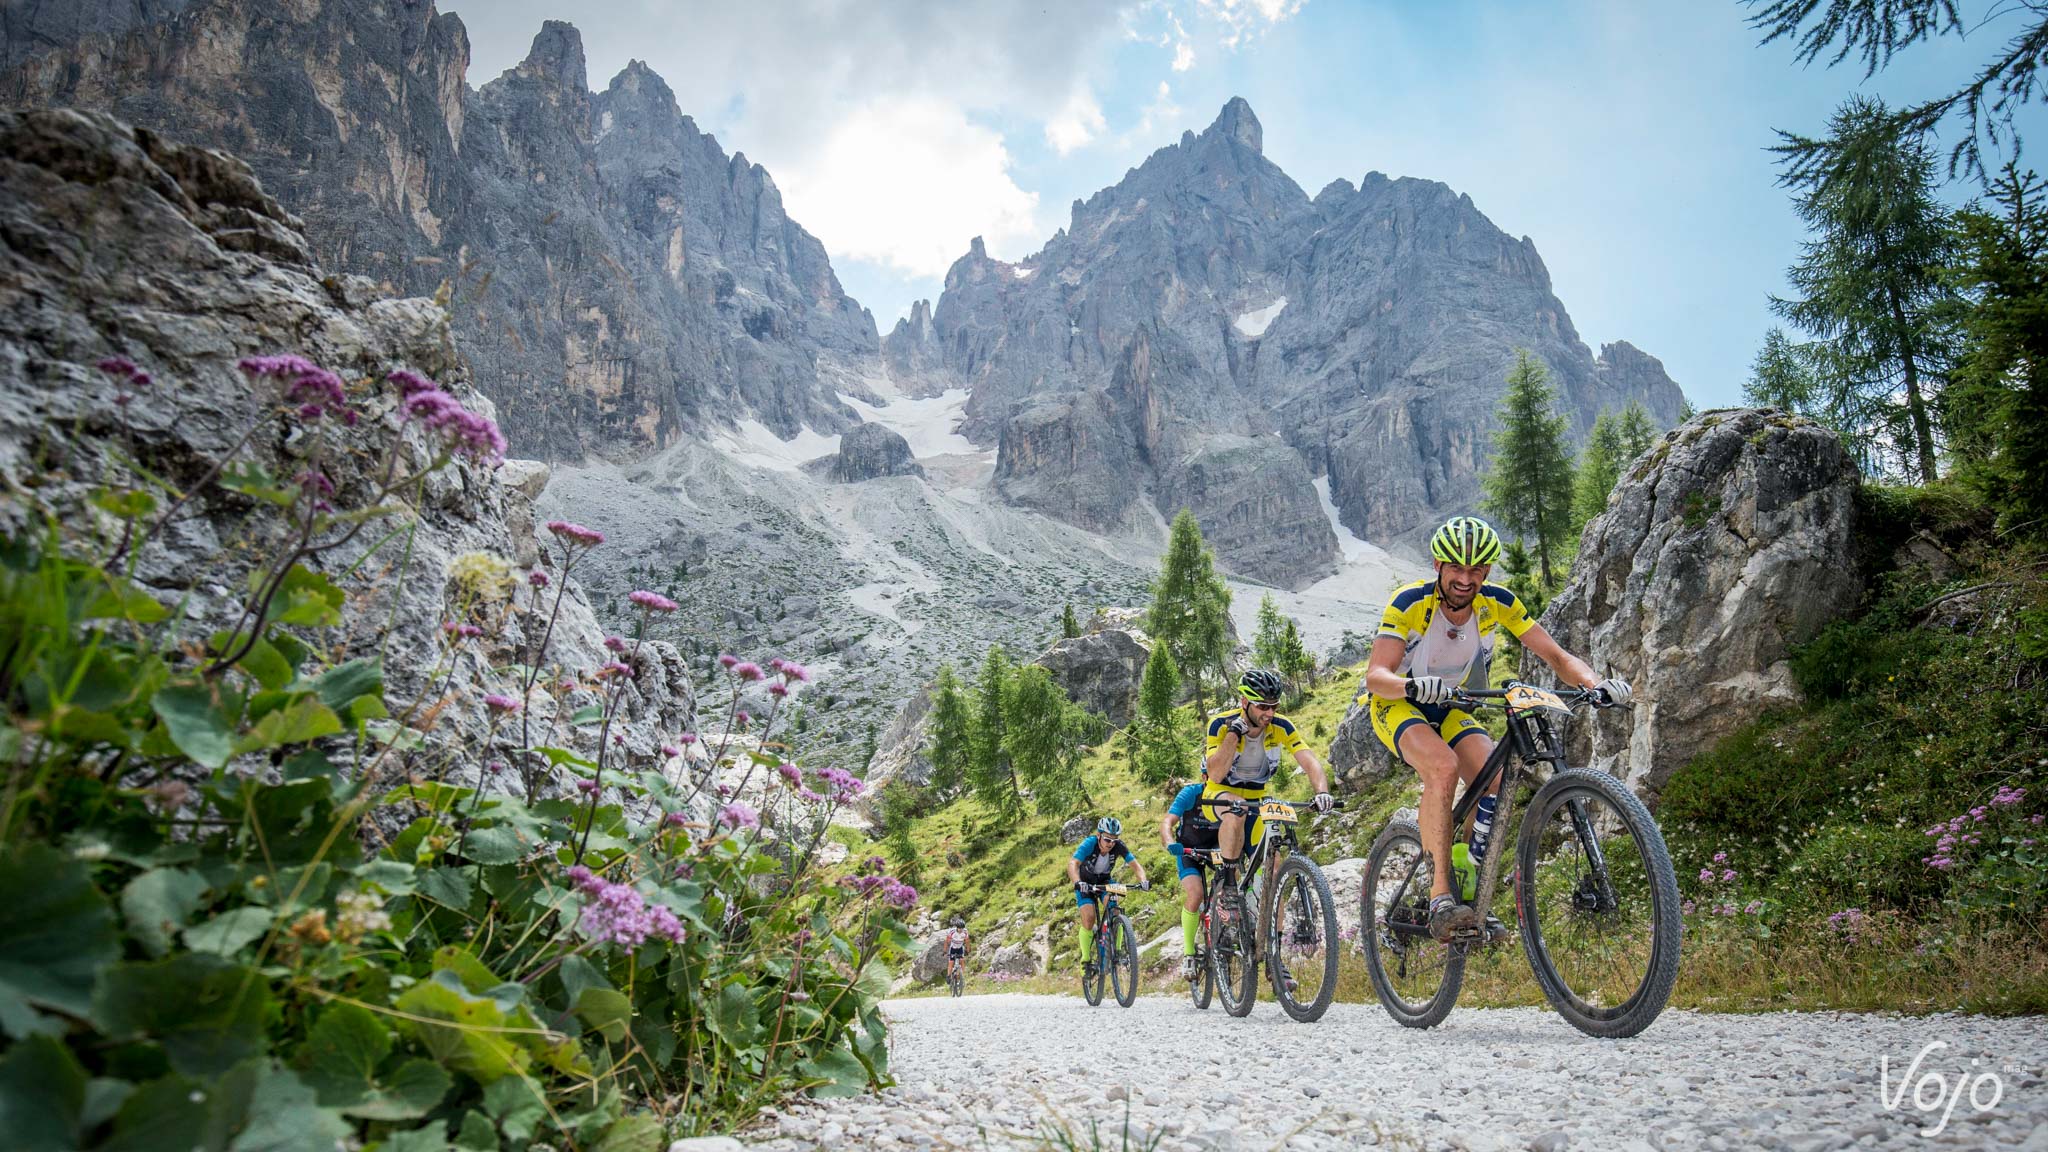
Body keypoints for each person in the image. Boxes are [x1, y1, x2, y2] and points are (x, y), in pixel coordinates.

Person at [1358, 515, 1631, 942]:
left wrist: (1596, 685)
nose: (1465, 579)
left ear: (1486, 571)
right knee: (1443, 768)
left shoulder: (1498, 601)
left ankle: (1470, 888)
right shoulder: (1410, 602)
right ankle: (1440, 897)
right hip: (1398, 703)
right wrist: (1411, 685)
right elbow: (1376, 675)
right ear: (1438, 565)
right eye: (1456, 568)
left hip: (1449, 705)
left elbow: (1557, 657)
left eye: (1476, 570)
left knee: (1497, 780)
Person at [1202, 668, 1336, 873]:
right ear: (1245, 702)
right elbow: (1216, 774)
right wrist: (1233, 734)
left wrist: (1322, 792)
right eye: (1263, 706)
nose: (1270, 713)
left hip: (1256, 798)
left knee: (1273, 868)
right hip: (1218, 794)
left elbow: (1309, 761)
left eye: (1275, 706)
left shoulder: (1281, 725)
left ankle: (1266, 892)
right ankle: (1229, 880)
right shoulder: (1220, 724)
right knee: (1236, 810)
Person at [1068, 816, 1149, 976]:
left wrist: (1143, 880)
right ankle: (1085, 960)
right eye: (1107, 839)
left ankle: (1117, 951)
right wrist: (1077, 882)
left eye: (1114, 840)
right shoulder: (1089, 843)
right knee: (1089, 919)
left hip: (1104, 882)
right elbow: (1073, 864)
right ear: (1099, 835)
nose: (1111, 843)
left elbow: (1136, 866)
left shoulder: (1118, 846)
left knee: (1115, 909)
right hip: (1085, 883)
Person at [1161, 779, 1223, 982]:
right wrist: (1170, 843)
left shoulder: (1226, 794)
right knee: (1195, 894)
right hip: (1188, 850)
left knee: (1230, 882)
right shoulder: (1190, 793)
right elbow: (1167, 822)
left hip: (1215, 849)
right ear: (1204, 777)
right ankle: (1188, 953)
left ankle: (1221, 919)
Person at [944, 915, 970, 985]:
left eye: (962, 928)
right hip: (953, 948)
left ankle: (962, 977)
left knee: (962, 961)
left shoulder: (965, 932)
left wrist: (968, 950)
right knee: (951, 962)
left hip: (960, 948)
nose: (961, 929)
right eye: (959, 928)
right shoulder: (952, 932)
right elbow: (947, 941)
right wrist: (945, 951)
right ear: (957, 927)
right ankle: (948, 975)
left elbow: (967, 941)